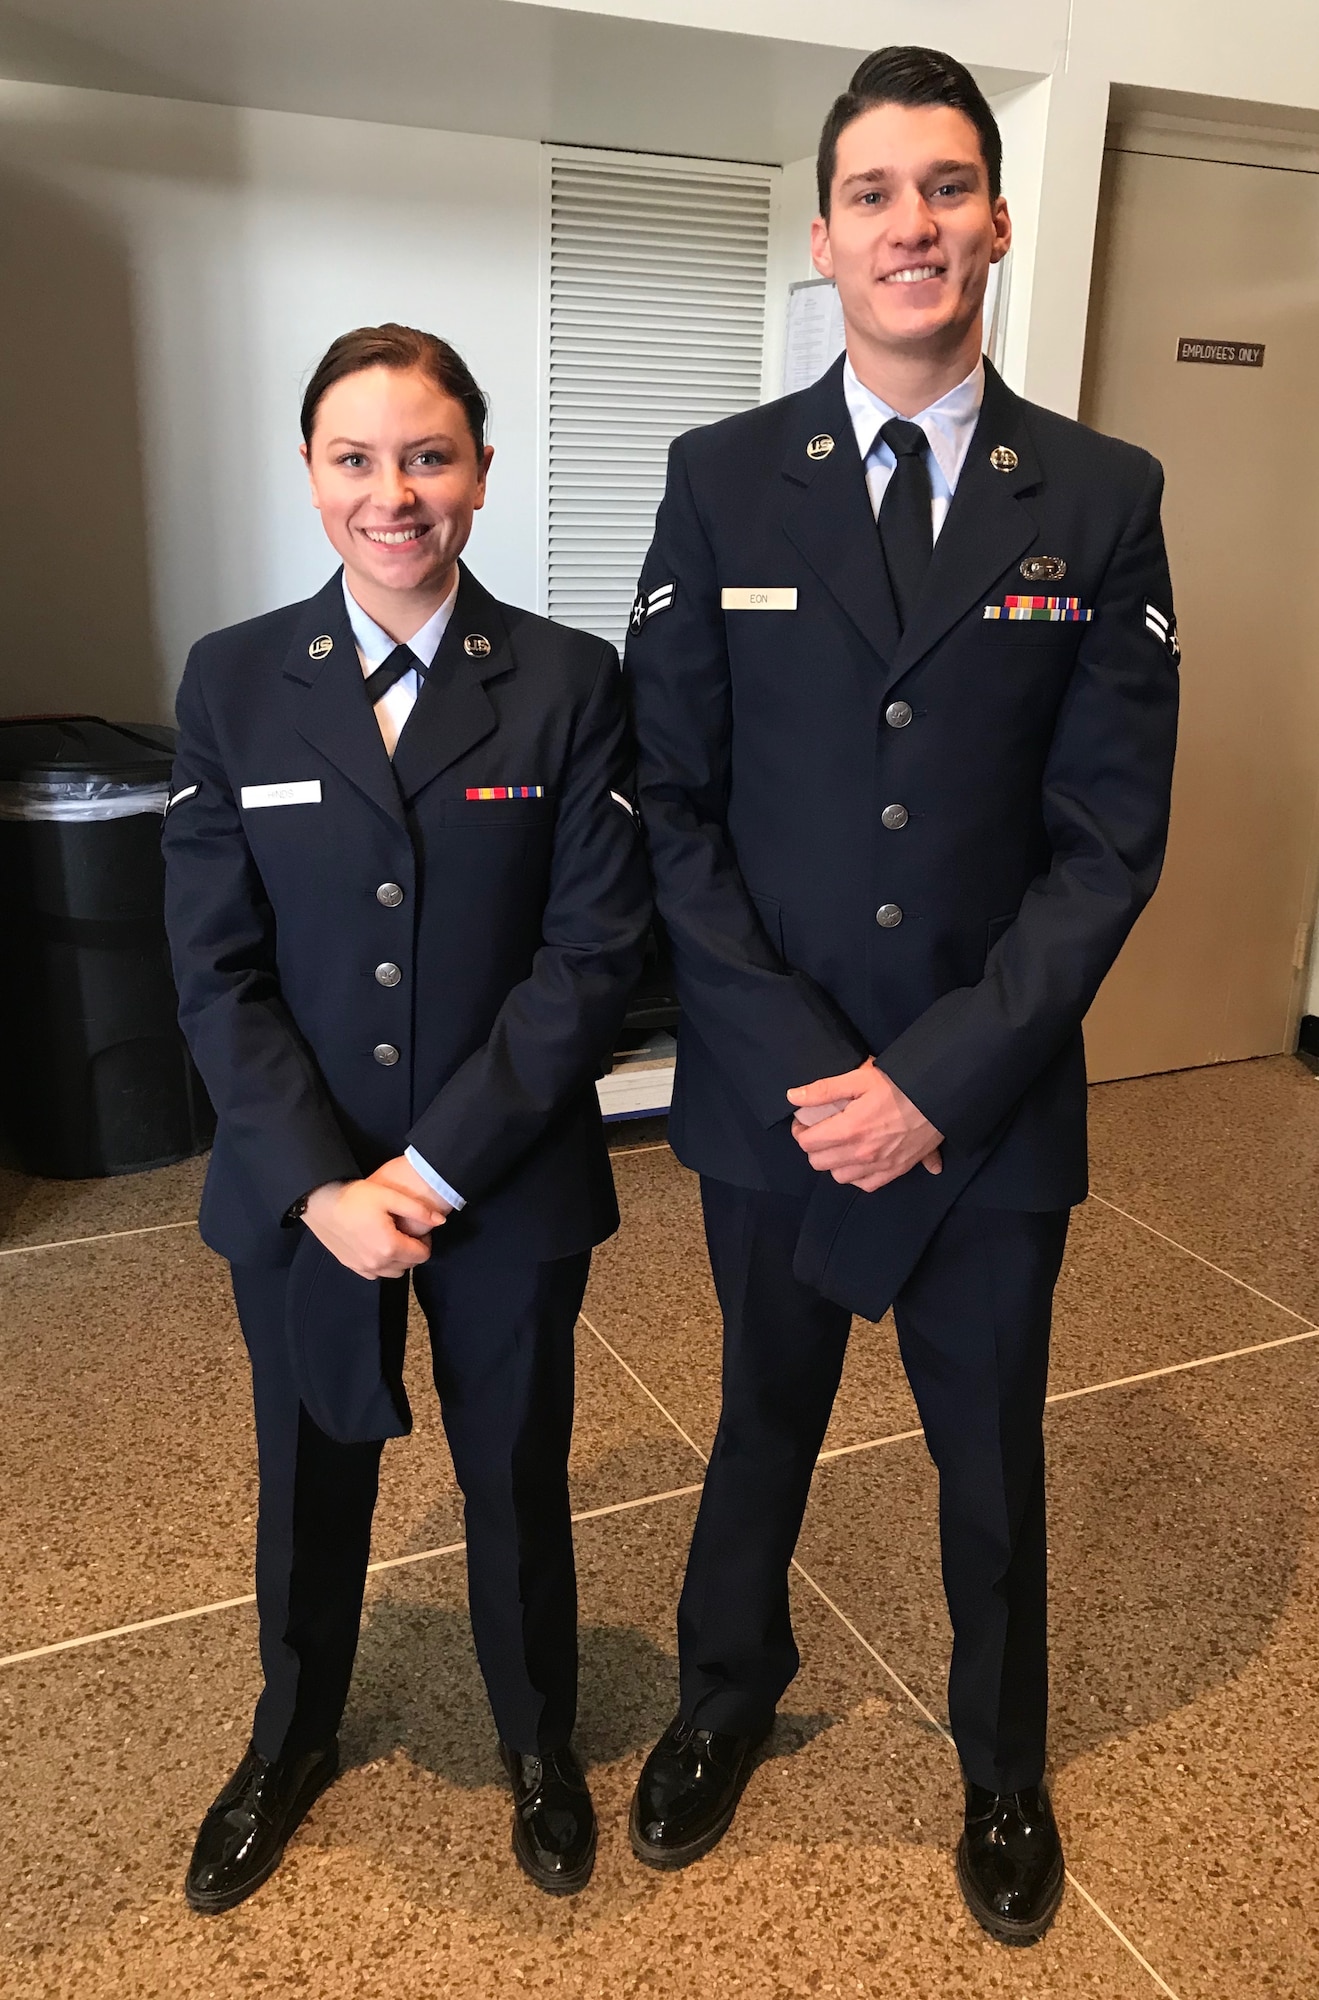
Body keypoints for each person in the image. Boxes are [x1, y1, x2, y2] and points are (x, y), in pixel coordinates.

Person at [623, 47, 1178, 1944]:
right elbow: (667, 808)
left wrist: (934, 1083)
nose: (913, 222)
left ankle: (1001, 1767)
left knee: (987, 1451)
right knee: (760, 1413)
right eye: (877, 191)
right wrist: (803, 1072)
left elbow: (1108, 842)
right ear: (829, 233)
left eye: (948, 186)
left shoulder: (1101, 498)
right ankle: (724, 1697)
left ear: (997, 224)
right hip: (774, 1095)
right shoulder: (716, 484)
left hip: (989, 1098)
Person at [162, 324, 650, 1911]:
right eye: (356, 459)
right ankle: (291, 1734)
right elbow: (214, 969)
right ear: (309, 476)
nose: (395, 494)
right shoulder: (235, 681)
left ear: (481, 474)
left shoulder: (572, 684)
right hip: (300, 1191)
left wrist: (428, 1171)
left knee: (516, 1468)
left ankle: (537, 1742)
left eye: (428, 456)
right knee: (307, 1470)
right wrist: (321, 1187)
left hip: (500, 1182)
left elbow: (592, 958)